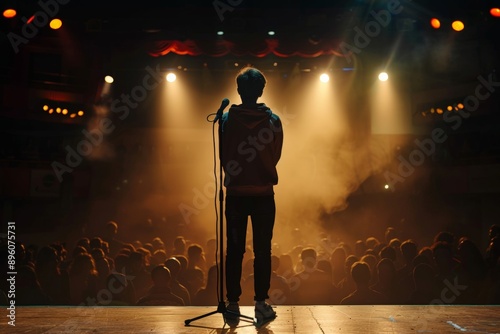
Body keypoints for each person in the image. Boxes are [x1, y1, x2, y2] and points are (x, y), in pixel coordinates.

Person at [220, 66, 283, 324]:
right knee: (262, 250)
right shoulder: (274, 120)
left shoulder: (226, 119)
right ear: (261, 91)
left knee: (234, 250)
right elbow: (276, 154)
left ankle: (233, 303)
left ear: (238, 90)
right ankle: (260, 304)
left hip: (235, 192)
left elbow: (223, 154)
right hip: (263, 193)